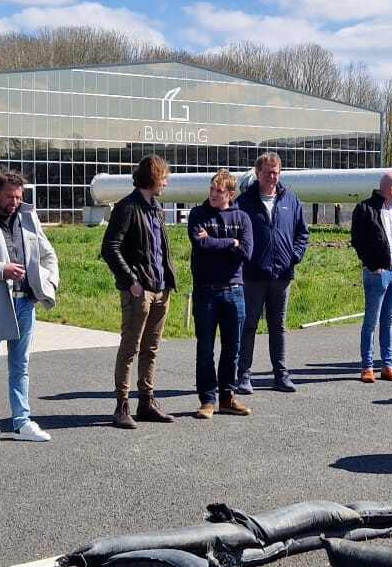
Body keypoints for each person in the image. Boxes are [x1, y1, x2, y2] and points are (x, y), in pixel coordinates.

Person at [0, 169, 58, 447]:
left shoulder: (29, 218)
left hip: (25, 302)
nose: (14, 202)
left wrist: (49, 283)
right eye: (9, 196)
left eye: (19, 197)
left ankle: (22, 421)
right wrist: (0, 270)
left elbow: (48, 254)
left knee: (21, 366)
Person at [101, 155, 177, 428]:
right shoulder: (127, 207)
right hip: (139, 291)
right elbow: (110, 248)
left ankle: (146, 402)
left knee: (151, 349)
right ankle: (122, 406)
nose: (166, 183)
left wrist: (168, 281)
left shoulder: (155, 207)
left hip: (160, 289)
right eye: (164, 177)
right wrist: (132, 281)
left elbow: (159, 249)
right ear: (153, 177)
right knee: (130, 348)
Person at [233, 151, 308, 394]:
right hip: (253, 276)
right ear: (258, 174)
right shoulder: (244, 203)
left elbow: (302, 234)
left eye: (276, 173)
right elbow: (236, 235)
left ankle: (281, 374)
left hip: (282, 276)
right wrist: (245, 259)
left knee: (279, 327)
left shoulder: (291, 200)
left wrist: (294, 257)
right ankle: (243, 375)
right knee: (249, 326)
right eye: (268, 173)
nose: (272, 178)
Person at [189, 169, 255, 418]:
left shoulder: (242, 218)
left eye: (219, 191)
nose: (214, 195)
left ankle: (227, 397)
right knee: (205, 348)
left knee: (232, 348)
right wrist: (231, 243)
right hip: (207, 292)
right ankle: (207, 400)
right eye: (212, 190)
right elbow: (201, 244)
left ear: (230, 193)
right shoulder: (198, 214)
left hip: (235, 291)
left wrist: (225, 242)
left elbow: (247, 252)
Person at [351, 172, 392, 383]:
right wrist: (373, 265)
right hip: (377, 273)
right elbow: (358, 241)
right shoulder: (365, 209)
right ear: (391, 188)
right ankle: (367, 367)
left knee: (388, 320)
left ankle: (387, 366)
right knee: (371, 320)